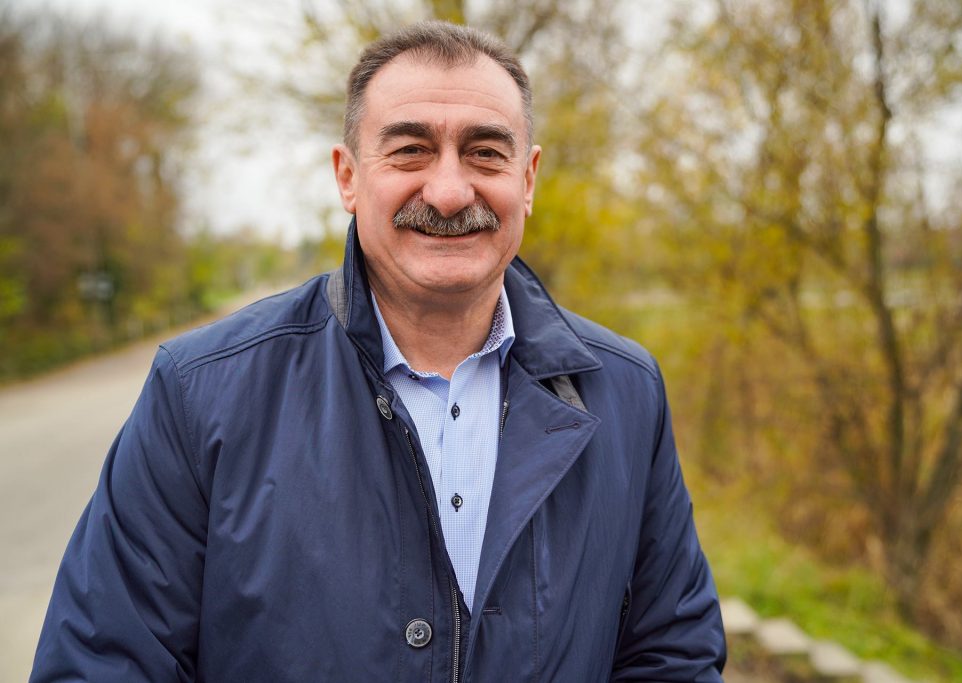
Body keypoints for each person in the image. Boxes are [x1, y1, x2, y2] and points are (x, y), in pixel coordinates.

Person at [31, 21, 726, 682]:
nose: (449, 192)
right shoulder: (199, 391)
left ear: (529, 179)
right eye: (410, 150)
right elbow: (102, 659)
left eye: (486, 152)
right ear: (348, 177)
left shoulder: (626, 391)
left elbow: (672, 654)